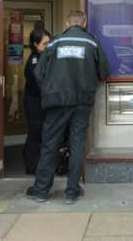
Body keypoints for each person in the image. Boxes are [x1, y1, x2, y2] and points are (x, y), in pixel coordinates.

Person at [26, 10, 110, 204]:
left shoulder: (54, 43)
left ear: (66, 23)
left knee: (50, 143)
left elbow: (38, 73)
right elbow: (105, 72)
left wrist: (49, 90)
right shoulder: (92, 43)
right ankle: (72, 192)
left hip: (56, 101)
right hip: (82, 101)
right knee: (77, 143)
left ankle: (40, 191)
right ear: (85, 23)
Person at [23, 27, 51, 175]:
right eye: (45, 44)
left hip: (39, 101)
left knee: (39, 133)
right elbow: (38, 83)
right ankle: (32, 166)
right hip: (34, 103)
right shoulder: (35, 60)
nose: (48, 46)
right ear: (35, 43)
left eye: (49, 43)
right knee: (35, 133)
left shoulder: (42, 57)